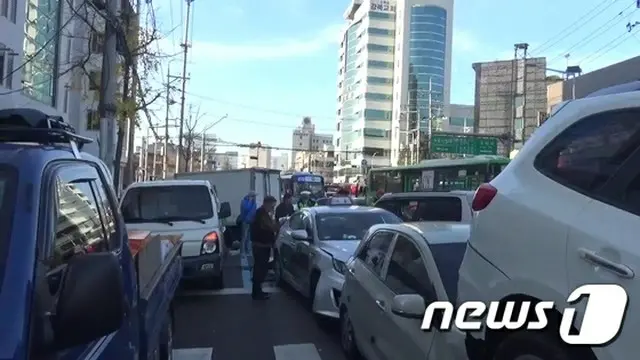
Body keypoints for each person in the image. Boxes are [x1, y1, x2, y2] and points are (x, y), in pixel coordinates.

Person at [250, 195, 278, 300]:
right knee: (260, 269)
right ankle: (256, 292)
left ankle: (258, 291)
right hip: (260, 246)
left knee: (261, 269)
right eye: (272, 205)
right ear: (267, 203)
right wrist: (278, 225)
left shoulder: (263, 213)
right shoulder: (261, 214)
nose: (273, 207)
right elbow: (270, 227)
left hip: (263, 245)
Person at [239, 191, 257, 258]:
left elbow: (254, 211)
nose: (254, 197)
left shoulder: (253, 202)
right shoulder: (244, 202)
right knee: (244, 237)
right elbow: (246, 209)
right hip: (245, 222)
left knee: (249, 238)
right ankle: (242, 252)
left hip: (251, 222)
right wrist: (250, 201)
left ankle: (248, 251)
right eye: (253, 196)